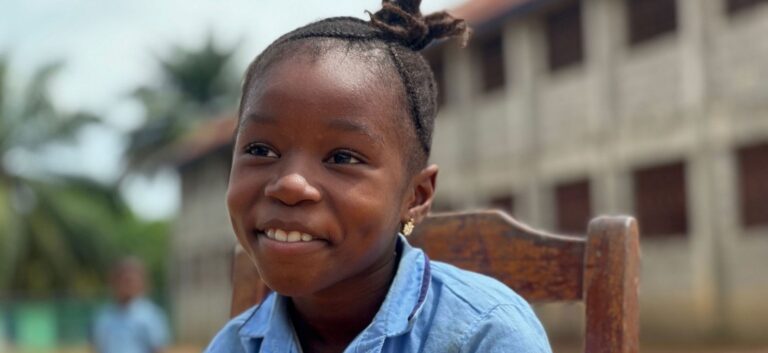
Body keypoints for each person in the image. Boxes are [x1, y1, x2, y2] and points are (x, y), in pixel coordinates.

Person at [206, 0, 552, 351]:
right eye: (260, 150)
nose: (290, 184)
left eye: (342, 158)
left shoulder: (484, 334)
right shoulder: (233, 345)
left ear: (416, 197)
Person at [92, 257, 170, 353]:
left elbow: (158, 348)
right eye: (122, 280)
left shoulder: (151, 316)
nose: (127, 286)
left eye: (130, 281)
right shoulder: (104, 317)